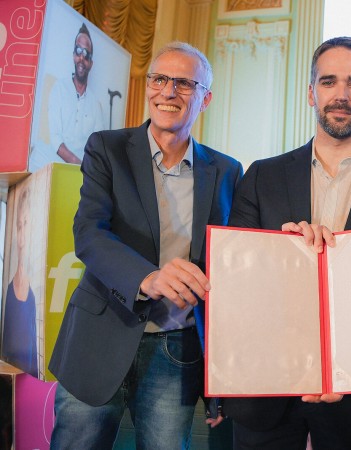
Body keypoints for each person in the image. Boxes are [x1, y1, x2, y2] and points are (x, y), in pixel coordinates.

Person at [223, 36, 351, 450]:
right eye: (329, 81)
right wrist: (284, 255)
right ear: (310, 93)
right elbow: (236, 286)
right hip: (269, 393)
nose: (341, 94)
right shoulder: (262, 177)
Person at [48, 42, 243, 449]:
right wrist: (149, 278)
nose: (168, 91)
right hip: (100, 334)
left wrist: (222, 378)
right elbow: (89, 232)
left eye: (185, 83)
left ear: (205, 98)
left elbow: (233, 262)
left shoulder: (226, 170)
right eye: (159, 79)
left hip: (177, 350)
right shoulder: (107, 148)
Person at [48, 23, 105, 165]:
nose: (81, 58)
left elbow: (97, 148)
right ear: (73, 55)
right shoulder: (59, 89)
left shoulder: (96, 106)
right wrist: (77, 164)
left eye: (86, 54)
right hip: (56, 164)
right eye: (78, 51)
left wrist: (85, 171)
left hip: (82, 174)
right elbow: (55, 138)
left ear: (91, 63)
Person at [1, 186, 38, 377]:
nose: (22, 237)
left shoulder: (34, 297)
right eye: (19, 225)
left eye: (26, 224)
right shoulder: (8, 291)